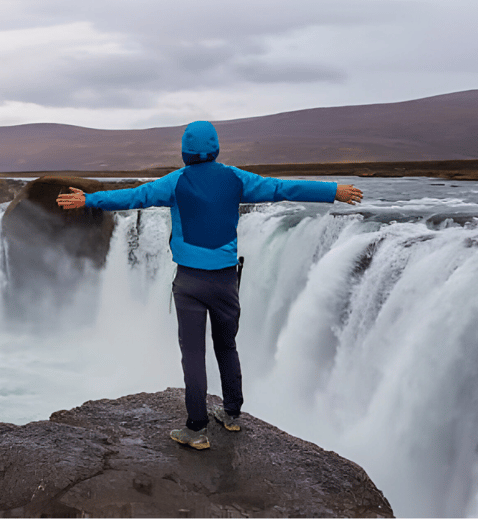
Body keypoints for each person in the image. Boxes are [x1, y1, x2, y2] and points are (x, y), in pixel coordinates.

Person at [56, 120, 363, 450]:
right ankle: (231, 414)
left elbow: (135, 197)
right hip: (225, 281)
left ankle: (196, 429)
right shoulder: (236, 178)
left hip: (189, 282)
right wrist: (333, 192)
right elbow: (280, 188)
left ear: (185, 152)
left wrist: (89, 200)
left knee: (193, 354)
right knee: (226, 346)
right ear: (215, 148)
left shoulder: (176, 182)